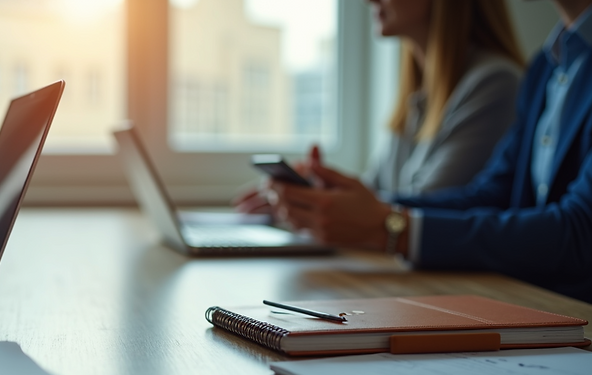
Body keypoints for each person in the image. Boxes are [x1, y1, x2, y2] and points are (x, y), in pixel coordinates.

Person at [261, 0, 592, 303]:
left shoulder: (500, 79)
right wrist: (335, 205)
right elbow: (489, 194)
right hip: (536, 309)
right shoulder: (546, 68)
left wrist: (390, 226)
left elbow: (580, 233)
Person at [235, 0, 524, 213]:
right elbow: (377, 193)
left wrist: (325, 204)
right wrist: (313, 194)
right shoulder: (420, 94)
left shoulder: (495, 82)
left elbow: (425, 212)